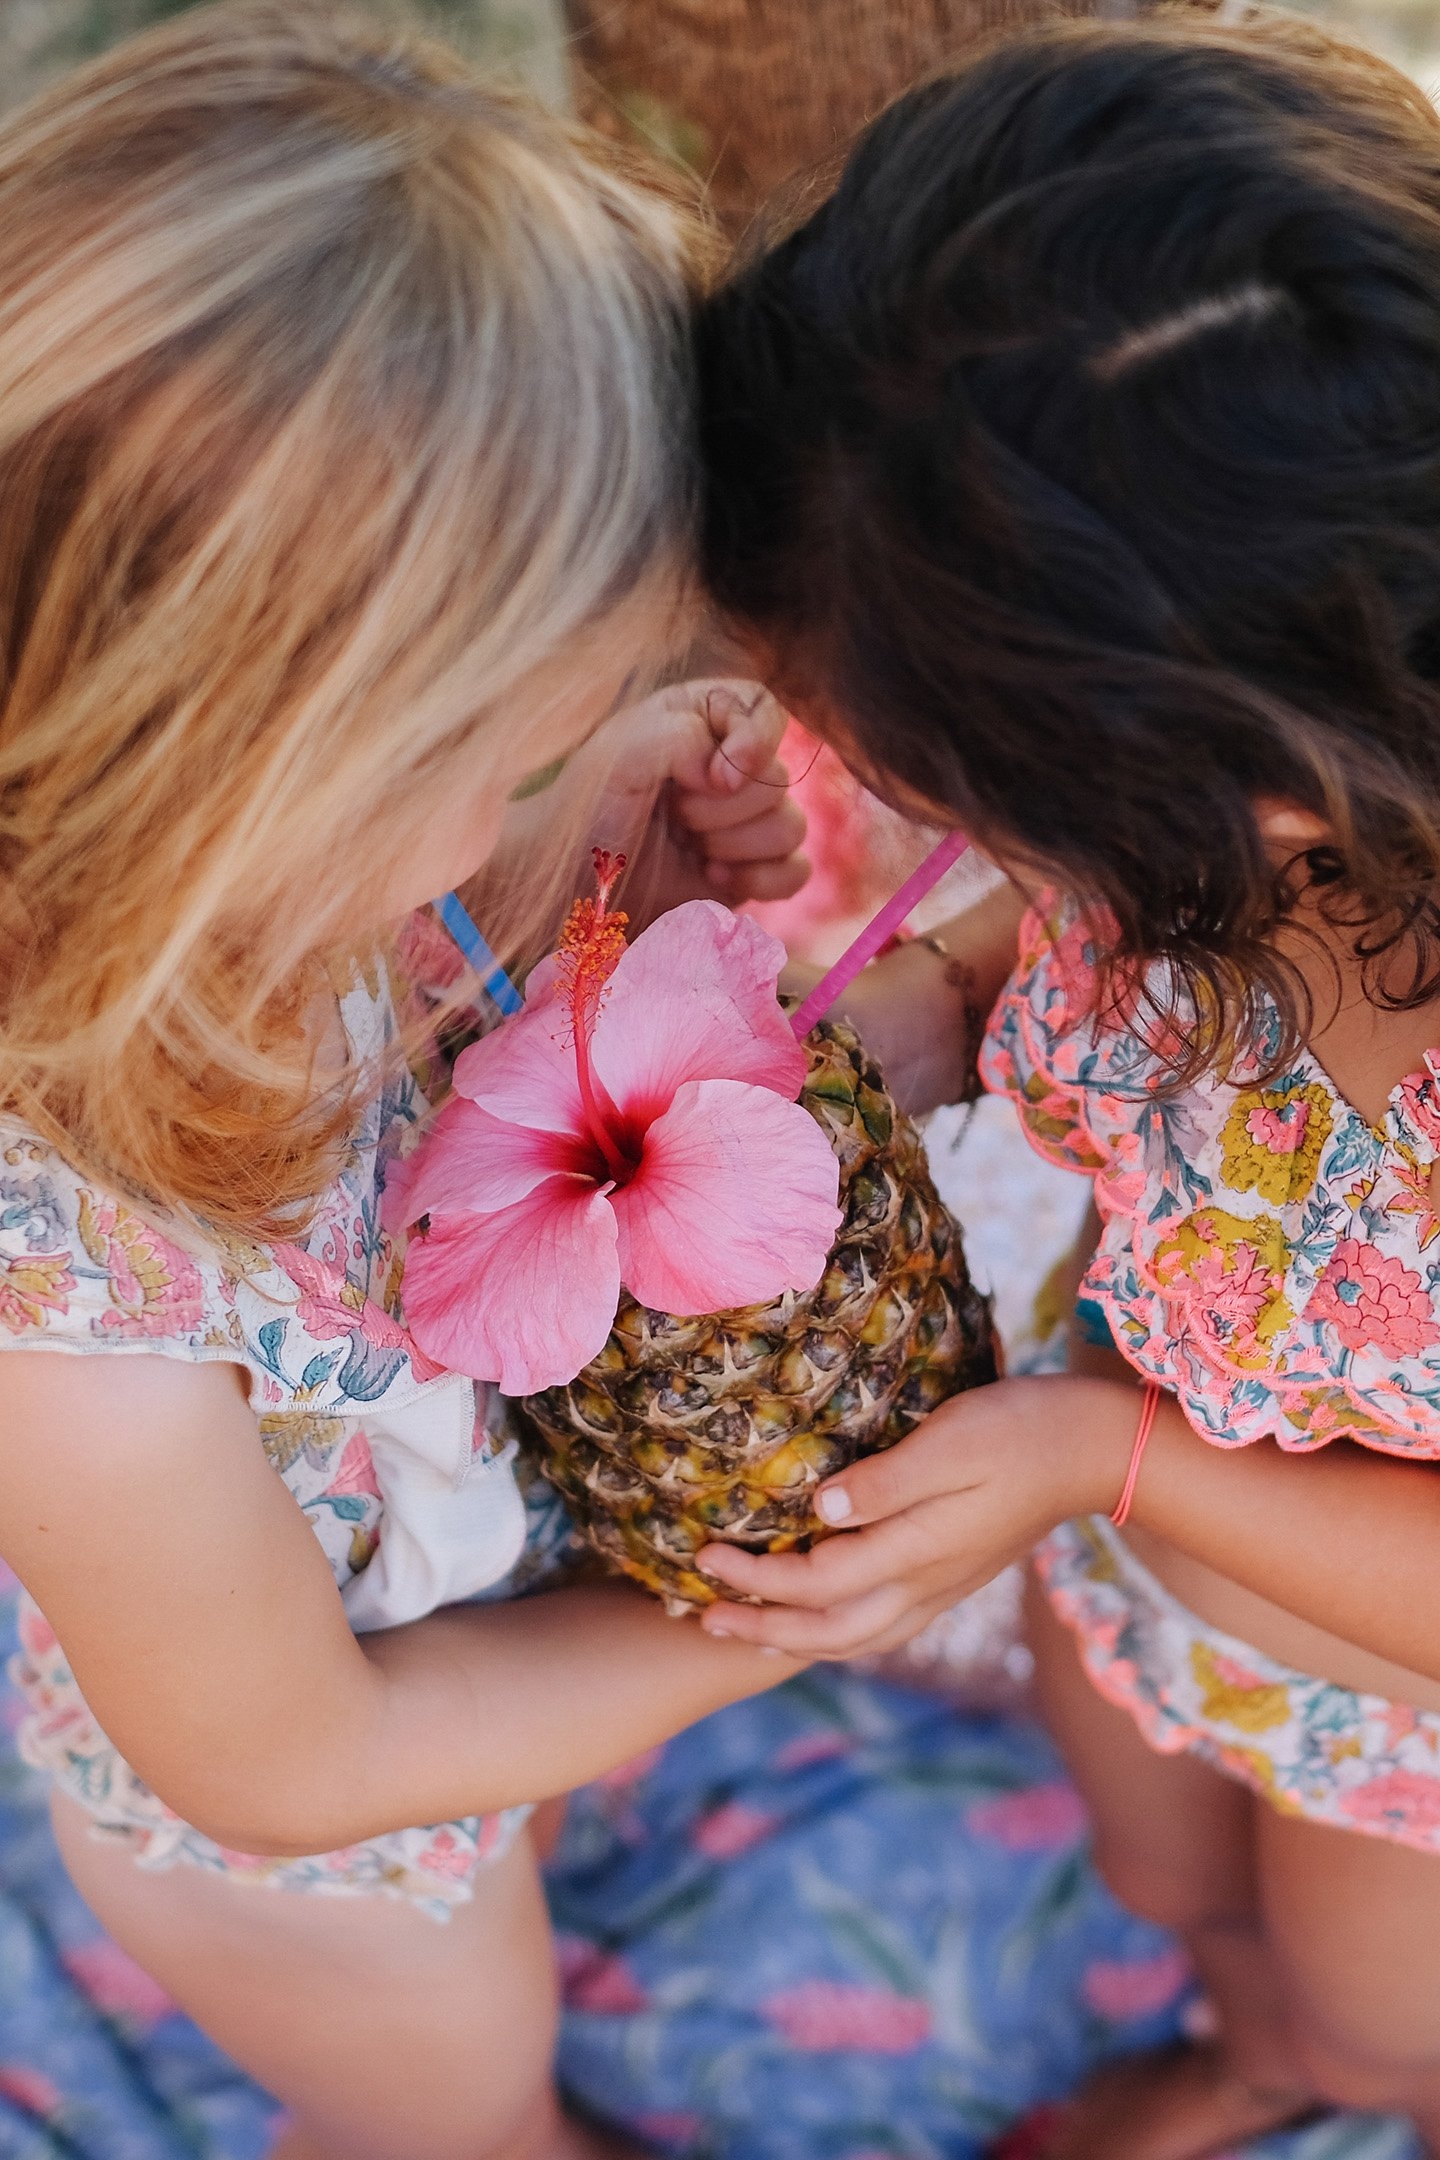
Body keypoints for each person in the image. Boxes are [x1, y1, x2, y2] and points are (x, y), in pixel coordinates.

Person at [0, 9, 811, 2158]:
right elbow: (297, 1763)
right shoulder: (62, 1311)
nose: (500, 815)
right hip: (330, 1863)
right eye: (489, 762)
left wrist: (586, 843)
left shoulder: (206, 902)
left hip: (464, 1647)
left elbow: (396, 1005)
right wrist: (761, 1628)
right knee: (463, 2113)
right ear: (242, 766)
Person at [695, 15, 1440, 2157]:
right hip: (1127, 1510)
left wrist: (1113, 1459)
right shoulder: (1253, 775)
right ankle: (1245, 2047)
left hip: (1386, 1702)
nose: (912, 827)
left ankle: (1342, 2079)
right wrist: (951, 977)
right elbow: (1113, 918)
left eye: (966, 818)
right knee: (1171, 1876)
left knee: (1391, 2025)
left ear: (1249, 803)